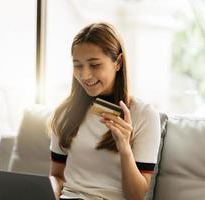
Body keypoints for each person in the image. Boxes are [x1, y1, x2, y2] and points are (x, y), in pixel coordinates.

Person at [48, 22, 161, 200]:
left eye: (94, 65)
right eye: (78, 65)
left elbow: (137, 196)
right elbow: (57, 175)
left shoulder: (144, 115)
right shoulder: (65, 112)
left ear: (118, 62)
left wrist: (124, 148)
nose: (84, 75)